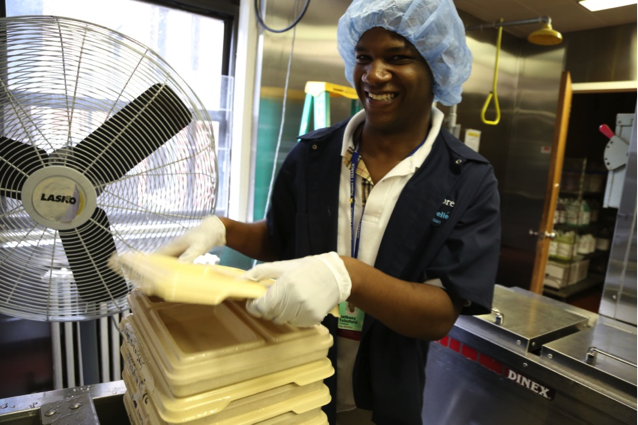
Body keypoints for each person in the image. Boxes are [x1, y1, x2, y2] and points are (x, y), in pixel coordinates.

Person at [157, 0, 500, 423]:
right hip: (295, 379)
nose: (373, 75)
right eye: (363, 58)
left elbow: (439, 313)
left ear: (436, 67)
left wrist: (345, 275)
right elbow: (280, 238)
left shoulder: (466, 179)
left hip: (387, 392)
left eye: (397, 58)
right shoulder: (313, 154)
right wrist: (223, 229)